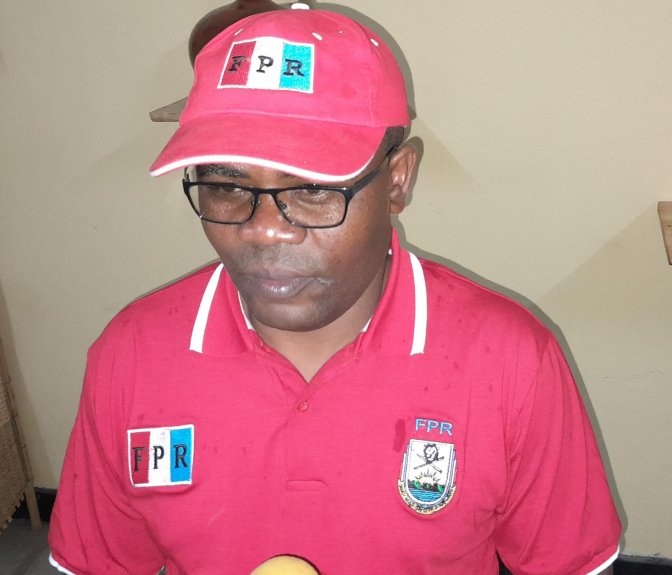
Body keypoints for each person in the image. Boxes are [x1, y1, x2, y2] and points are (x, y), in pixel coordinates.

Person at [48, 6, 621, 575]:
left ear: (397, 180)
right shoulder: (132, 355)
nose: (264, 229)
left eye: (316, 189)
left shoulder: (510, 361)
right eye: (225, 185)